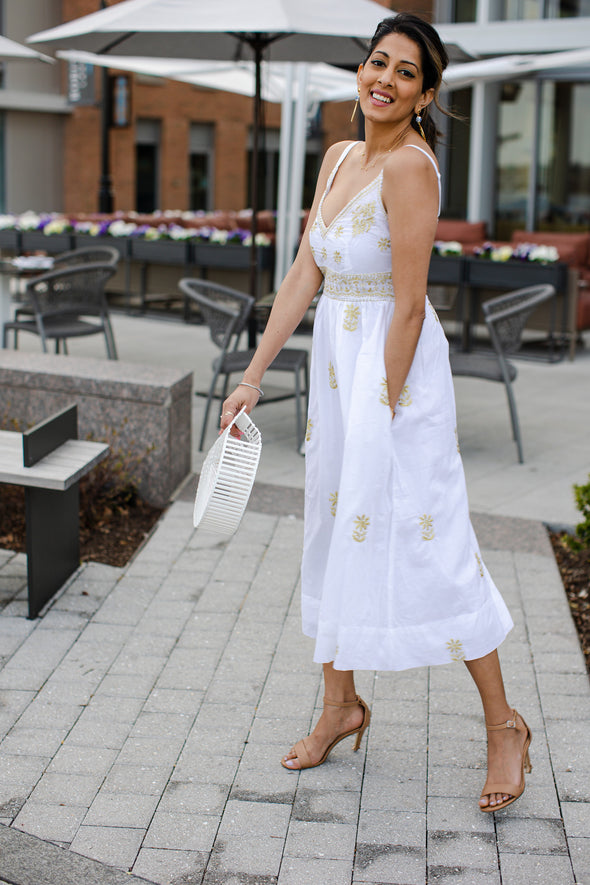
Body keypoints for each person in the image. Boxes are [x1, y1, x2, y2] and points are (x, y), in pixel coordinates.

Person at [220, 13, 531, 812]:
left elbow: (411, 306)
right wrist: (252, 374)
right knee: (329, 530)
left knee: (436, 543)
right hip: (334, 372)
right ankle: (340, 704)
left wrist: (383, 411)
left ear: (426, 94)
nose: (384, 81)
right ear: (361, 69)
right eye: (376, 63)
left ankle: (504, 725)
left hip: (394, 383)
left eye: (404, 73)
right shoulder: (335, 158)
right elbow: (302, 275)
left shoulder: (412, 170)